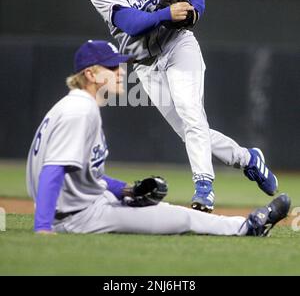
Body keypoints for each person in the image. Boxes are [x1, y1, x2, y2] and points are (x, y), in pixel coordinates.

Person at [89, 0, 278, 212]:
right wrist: (166, 13)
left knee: (192, 114)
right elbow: (131, 22)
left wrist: (194, 12)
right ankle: (248, 159)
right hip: (145, 63)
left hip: (179, 45)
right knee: (190, 130)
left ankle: (204, 188)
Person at [26, 40, 290, 235]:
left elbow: (86, 176)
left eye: (120, 66)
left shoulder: (74, 106)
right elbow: (53, 170)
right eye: (111, 67)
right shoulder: (81, 111)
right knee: (180, 218)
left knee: (167, 212)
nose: (120, 72)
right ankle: (249, 227)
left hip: (88, 204)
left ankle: (246, 225)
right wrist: (42, 228)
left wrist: (127, 190)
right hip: (79, 217)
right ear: (90, 74)